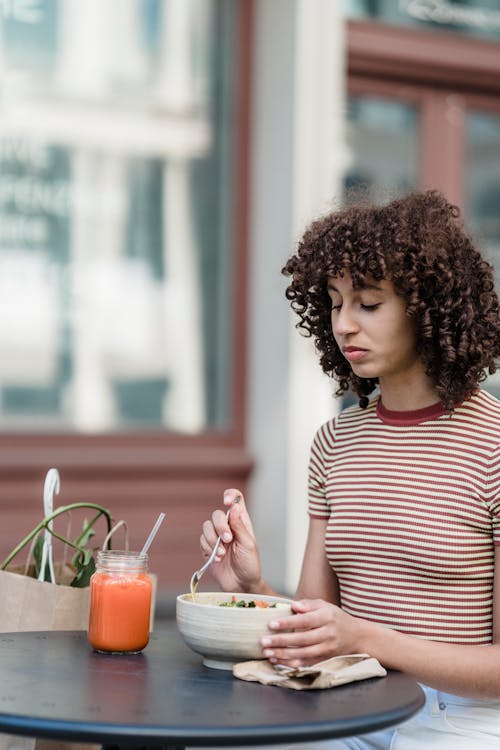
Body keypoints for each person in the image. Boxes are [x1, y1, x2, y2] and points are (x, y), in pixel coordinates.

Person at [199, 189, 500, 748]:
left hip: (460, 718)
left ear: (427, 305)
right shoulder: (336, 441)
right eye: (335, 303)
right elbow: (322, 622)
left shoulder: (493, 445)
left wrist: (367, 638)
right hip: (348, 698)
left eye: (367, 302)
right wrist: (254, 587)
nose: (344, 325)